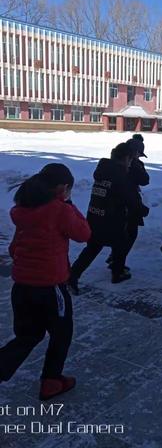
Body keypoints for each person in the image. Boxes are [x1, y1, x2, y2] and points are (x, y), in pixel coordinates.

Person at [0, 164, 90, 400]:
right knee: (62, 333)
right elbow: (84, 234)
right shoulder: (59, 210)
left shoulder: (24, 208)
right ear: (62, 188)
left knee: (28, 335)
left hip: (21, 287)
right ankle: (51, 381)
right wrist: (68, 204)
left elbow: (13, 248)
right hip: (51, 288)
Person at [69, 143, 149, 292]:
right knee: (121, 243)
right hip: (112, 218)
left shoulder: (104, 170)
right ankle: (117, 273)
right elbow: (129, 198)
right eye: (130, 161)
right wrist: (142, 210)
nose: (130, 164)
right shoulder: (119, 175)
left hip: (95, 214)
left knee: (93, 247)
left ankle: (73, 274)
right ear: (126, 158)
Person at [106, 135, 150, 268]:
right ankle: (117, 263)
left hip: (114, 202)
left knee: (121, 233)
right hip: (128, 203)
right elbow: (145, 180)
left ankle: (116, 258)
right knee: (130, 234)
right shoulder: (132, 164)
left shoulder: (115, 161)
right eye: (138, 154)